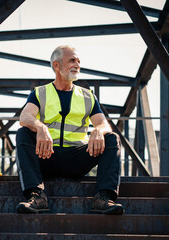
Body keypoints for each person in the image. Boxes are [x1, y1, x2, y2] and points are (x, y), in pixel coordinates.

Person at [15, 45, 123, 215]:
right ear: (56, 65)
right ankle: (36, 196)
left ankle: (103, 197)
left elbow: (104, 125)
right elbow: (25, 117)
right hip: (47, 156)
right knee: (23, 133)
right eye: (72, 60)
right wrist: (40, 126)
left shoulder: (88, 96)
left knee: (112, 138)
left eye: (79, 61)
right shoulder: (40, 93)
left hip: (77, 159)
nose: (77, 65)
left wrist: (98, 131)